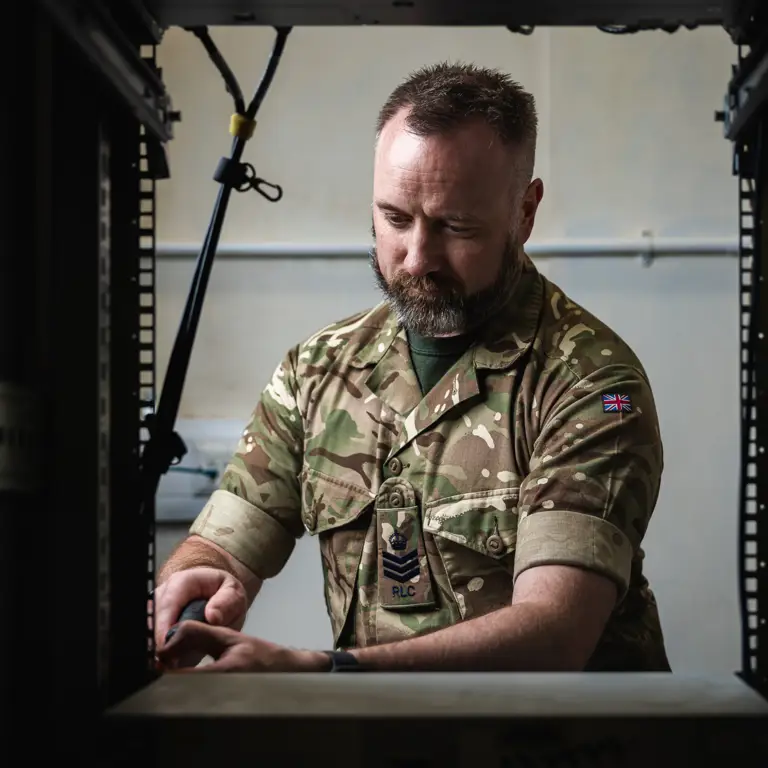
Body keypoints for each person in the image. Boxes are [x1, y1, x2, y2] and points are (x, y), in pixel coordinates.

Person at [154, 61, 671, 674]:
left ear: (525, 213)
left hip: (554, 743)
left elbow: (555, 633)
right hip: (386, 736)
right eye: (395, 219)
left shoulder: (589, 384)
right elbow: (225, 542)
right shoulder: (317, 369)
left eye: (456, 226)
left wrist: (326, 672)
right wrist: (192, 588)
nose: (417, 257)